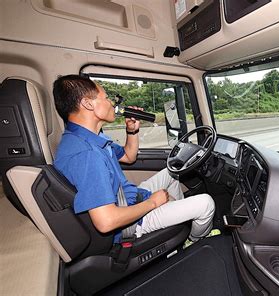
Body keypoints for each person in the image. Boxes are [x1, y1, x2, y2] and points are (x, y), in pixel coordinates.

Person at [52, 75, 215, 244]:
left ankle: (176, 223)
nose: (111, 103)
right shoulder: (86, 154)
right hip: (131, 223)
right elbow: (106, 222)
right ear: (88, 104)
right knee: (206, 203)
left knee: (171, 173)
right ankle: (195, 240)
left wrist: (132, 131)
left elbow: (129, 157)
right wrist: (153, 203)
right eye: (106, 98)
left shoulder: (87, 138)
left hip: (129, 197)